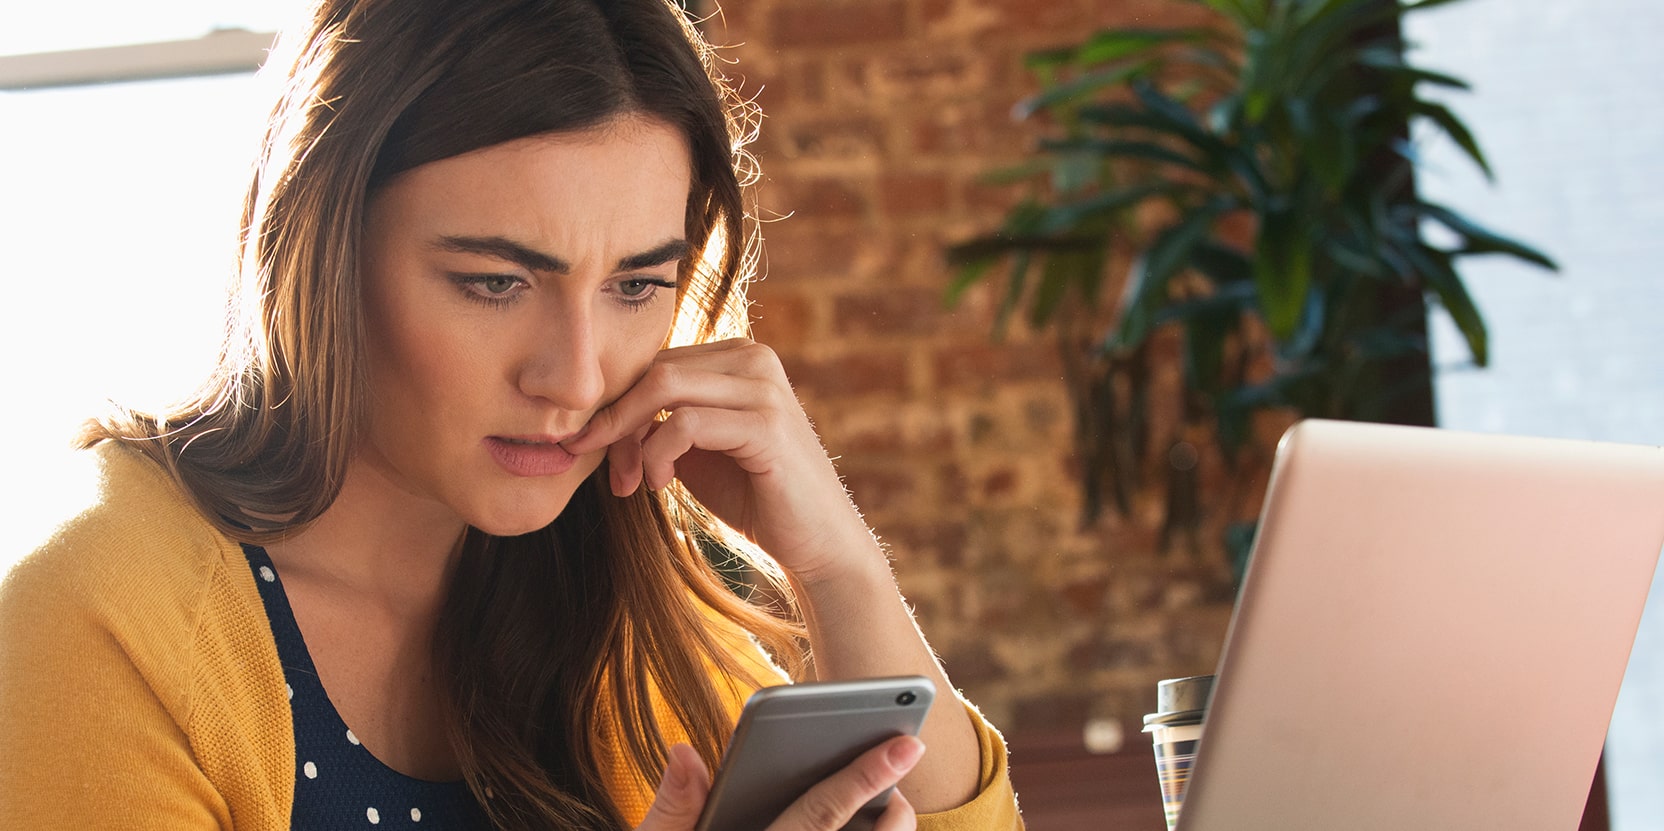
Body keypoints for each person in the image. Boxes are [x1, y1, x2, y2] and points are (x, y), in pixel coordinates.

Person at [0, 1, 1023, 829]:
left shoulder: (617, 604)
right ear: (320, 257)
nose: (576, 379)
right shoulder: (100, 617)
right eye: (495, 283)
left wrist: (839, 565)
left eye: (634, 288)